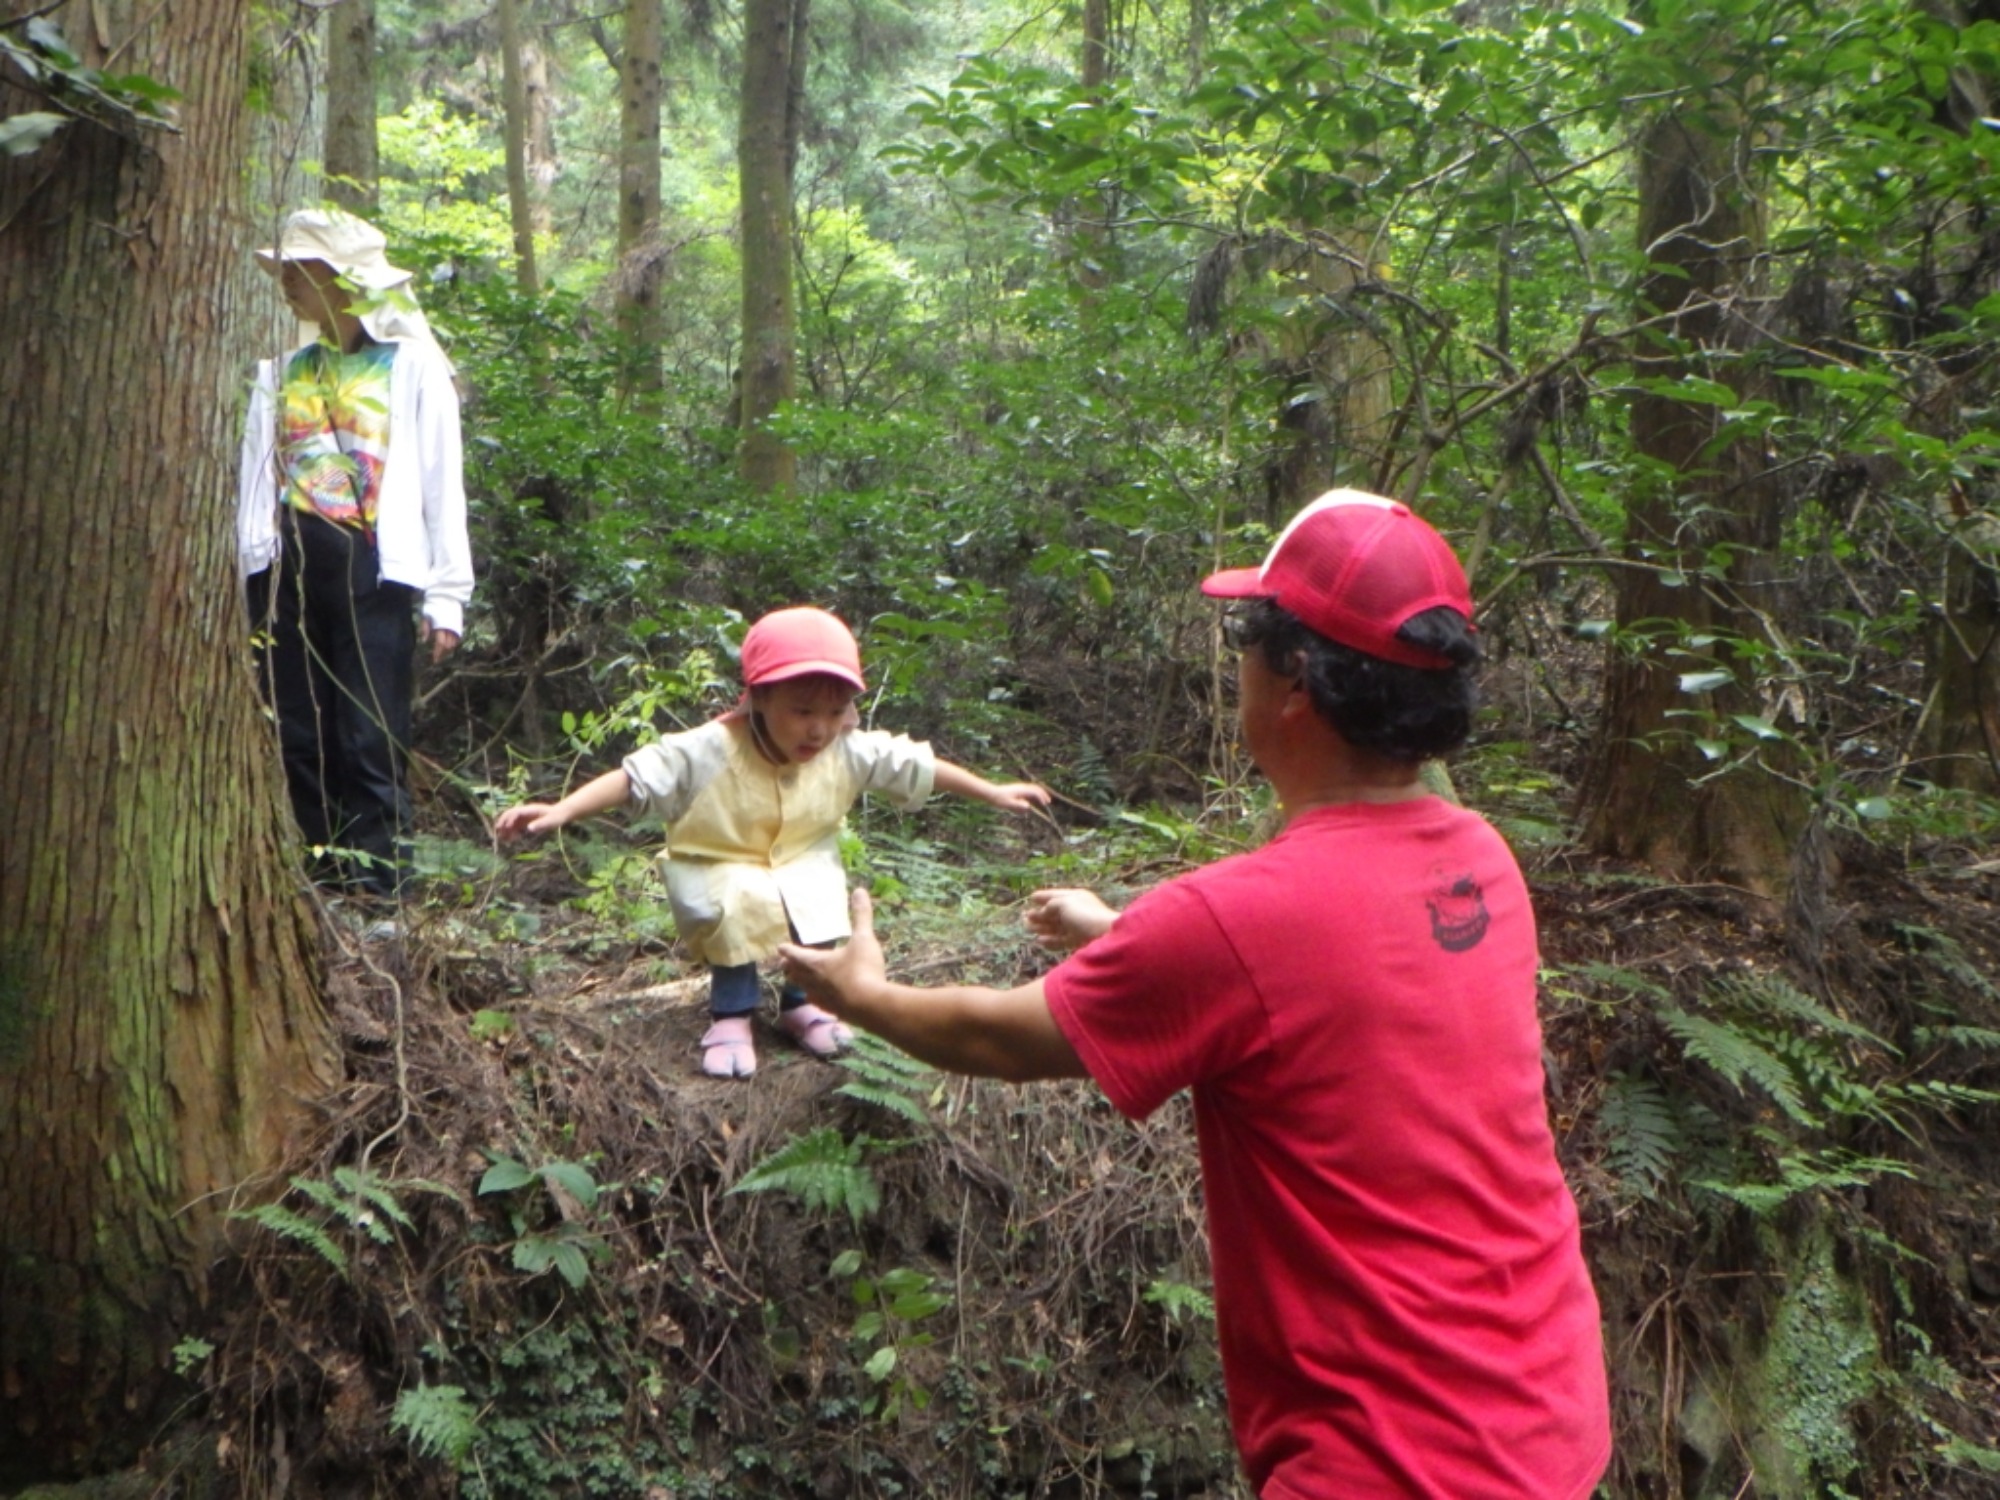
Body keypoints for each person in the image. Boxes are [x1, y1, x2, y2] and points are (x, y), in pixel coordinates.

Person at [780, 491, 1612, 1499]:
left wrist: (865, 994)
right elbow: (1325, 969)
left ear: (1292, 681)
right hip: (1546, 1416)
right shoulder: (1480, 864)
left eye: (1244, 645)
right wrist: (1124, 933)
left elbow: (1003, 1037)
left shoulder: (1237, 921)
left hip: (1389, 1461)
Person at [496, 606, 1052, 1078]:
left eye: (834, 712)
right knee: (735, 905)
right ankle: (732, 1014)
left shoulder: (847, 747)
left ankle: (803, 1005)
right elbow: (638, 778)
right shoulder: (712, 747)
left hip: (803, 860)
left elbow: (915, 764)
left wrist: (992, 791)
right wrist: (562, 809)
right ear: (759, 698)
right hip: (720, 861)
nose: (818, 729)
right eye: (802, 711)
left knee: (816, 904)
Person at [237, 207, 474, 901]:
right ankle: (322, 882)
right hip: (285, 575)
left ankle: (381, 892)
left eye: (297, 271)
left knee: (369, 736)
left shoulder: (413, 368)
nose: (285, 283)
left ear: (339, 280)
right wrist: (248, 577)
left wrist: (447, 597)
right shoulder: (276, 373)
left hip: (374, 572)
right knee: (299, 736)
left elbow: (439, 481)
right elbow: (256, 480)